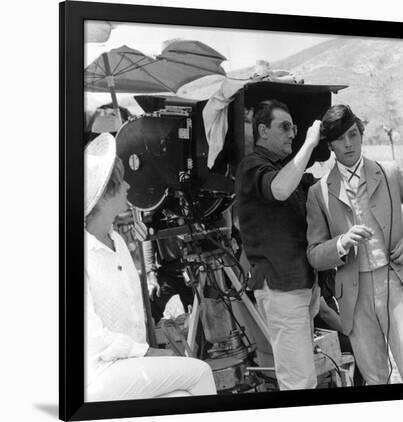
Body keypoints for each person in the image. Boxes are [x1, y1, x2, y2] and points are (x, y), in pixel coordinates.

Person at [306, 104, 403, 385]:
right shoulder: (318, 192)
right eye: (340, 138)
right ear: (330, 145)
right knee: (375, 378)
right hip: (354, 296)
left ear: (361, 135)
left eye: (353, 134)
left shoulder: (389, 172)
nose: (349, 143)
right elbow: (314, 254)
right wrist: (340, 243)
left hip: (397, 281)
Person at [84, 133, 217, 401]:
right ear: (103, 196)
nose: (128, 188)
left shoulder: (118, 241)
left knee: (181, 394)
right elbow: (92, 336)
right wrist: (146, 353)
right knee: (200, 372)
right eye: (120, 182)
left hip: (127, 366)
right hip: (98, 369)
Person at [235, 100, 321, 390]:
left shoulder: (286, 169)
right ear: (262, 130)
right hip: (281, 285)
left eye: (295, 128)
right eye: (284, 126)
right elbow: (280, 189)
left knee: (303, 375)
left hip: (300, 283)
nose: (292, 134)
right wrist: (309, 144)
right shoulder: (252, 166)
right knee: (299, 381)